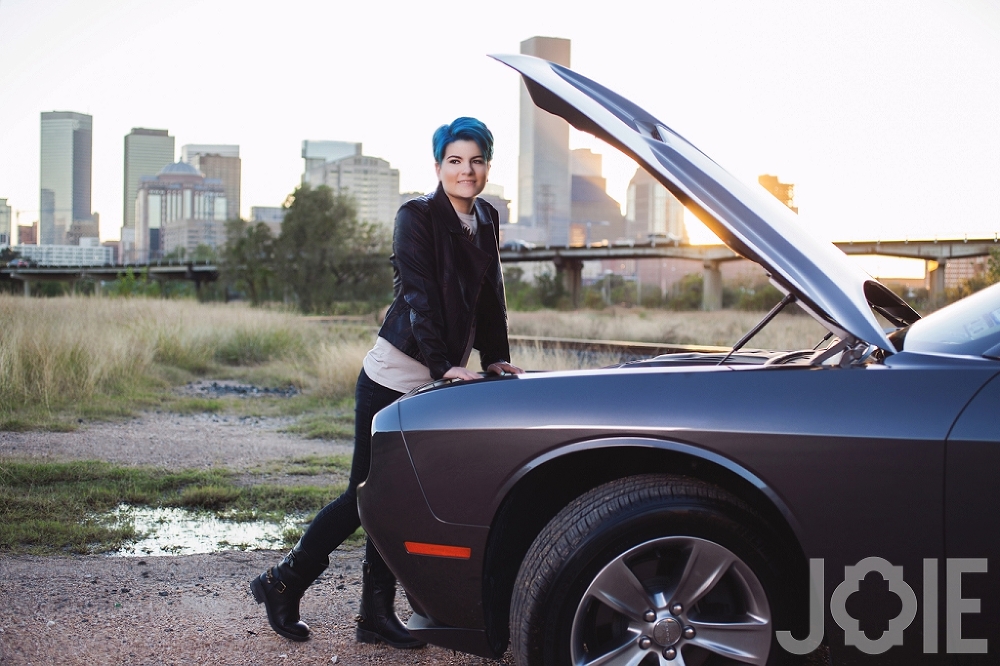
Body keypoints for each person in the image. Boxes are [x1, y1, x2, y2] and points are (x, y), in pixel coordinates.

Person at [250, 117, 522, 648]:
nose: (466, 171)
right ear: (439, 165)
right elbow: (419, 295)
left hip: (440, 376)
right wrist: (443, 363)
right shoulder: (415, 216)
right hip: (395, 373)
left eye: (476, 161)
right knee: (366, 495)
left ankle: (375, 615)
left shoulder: (486, 218)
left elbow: (491, 296)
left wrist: (495, 359)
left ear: (487, 166)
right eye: (455, 161)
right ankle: (282, 582)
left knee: (398, 498)